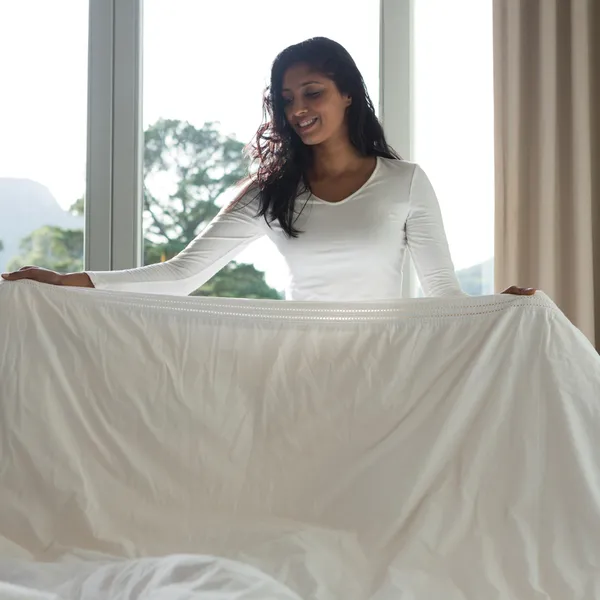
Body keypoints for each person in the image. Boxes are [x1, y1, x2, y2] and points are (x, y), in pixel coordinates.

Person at [1, 37, 534, 300]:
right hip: (296, 370)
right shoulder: (272, 190)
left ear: (348, 94)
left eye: (313, 92)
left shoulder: (404, 182)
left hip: (386, 368)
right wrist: (65, 282)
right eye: (286, 98)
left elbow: (442, 292)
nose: (298, 109)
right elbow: (182, 274)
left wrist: (499, 311)